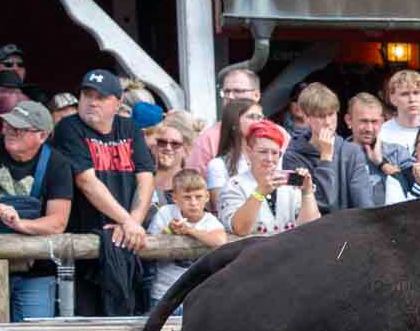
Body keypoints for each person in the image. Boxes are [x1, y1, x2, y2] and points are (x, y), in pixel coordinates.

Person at [52, 68, 155, 314]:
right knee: (86, 324)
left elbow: (146, 178)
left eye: (101, 97)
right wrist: (128, 222)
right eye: (87, 95)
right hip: (83, 245)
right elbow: (87, 182)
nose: (92, 102)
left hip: (126, 240)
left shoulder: (129, 128)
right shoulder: (69, 127)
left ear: (118, 103)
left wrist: (133, 223)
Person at [0, 101, 73, 322]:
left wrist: (20, 224)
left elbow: (58, 222)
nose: (10, 132)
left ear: (42, 136)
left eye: (20, 129)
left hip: (36, 270)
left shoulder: (57, 163)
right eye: (8, 126)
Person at [219, 119, 321, 237]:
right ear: (248, 152)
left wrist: (307, 193)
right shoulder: (234, 186)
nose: (269, 159)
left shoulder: (290, 184)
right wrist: (259, 193)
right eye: (263, 152)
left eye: (275, 153)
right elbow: (240, 229)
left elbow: (310, 228)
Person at [283, 82, 375, 213]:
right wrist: (326, 159)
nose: (327, 122)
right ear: (306, 118)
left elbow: (364, 204)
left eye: (331, 114)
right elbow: (322, 204)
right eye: (321, 116)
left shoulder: (352, 151)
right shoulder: (291, 156)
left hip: (351, 224)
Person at [144, 168, 229, 301]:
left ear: (207, 197)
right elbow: (150, 243)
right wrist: (168, 231)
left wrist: (189, 230)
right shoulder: (165, 213)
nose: (193, 203)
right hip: (164, 293)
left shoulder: (210, 220)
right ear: (175, 198)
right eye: (187, 197)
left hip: (198, 295)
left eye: (198, 197)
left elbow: (220, 241)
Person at [186, 65, 262, 172]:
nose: (230, 96)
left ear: (256, 95)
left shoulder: (279, 134)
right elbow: (192, 180)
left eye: (237, 91)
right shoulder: (208, 138)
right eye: (226, 91)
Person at [347, 91, 411, 205]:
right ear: (349, 120)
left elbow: (413, 191)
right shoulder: (336, 154)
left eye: (374, 122)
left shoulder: (398, 153)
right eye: (363, 121)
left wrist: (381, 163)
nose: (369, 128)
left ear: (382, 122)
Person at [205, 99, 263, 212]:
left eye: (260, 117)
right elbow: (221, 209)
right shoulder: (218, 165)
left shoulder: (271, 157)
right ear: (234, 122)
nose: (258, 122)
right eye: (251, 117)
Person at [378, 69, 420, 161]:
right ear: (392, 98)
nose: (412, 99)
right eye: (405, 94)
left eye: (416, 93)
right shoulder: (380, 133)